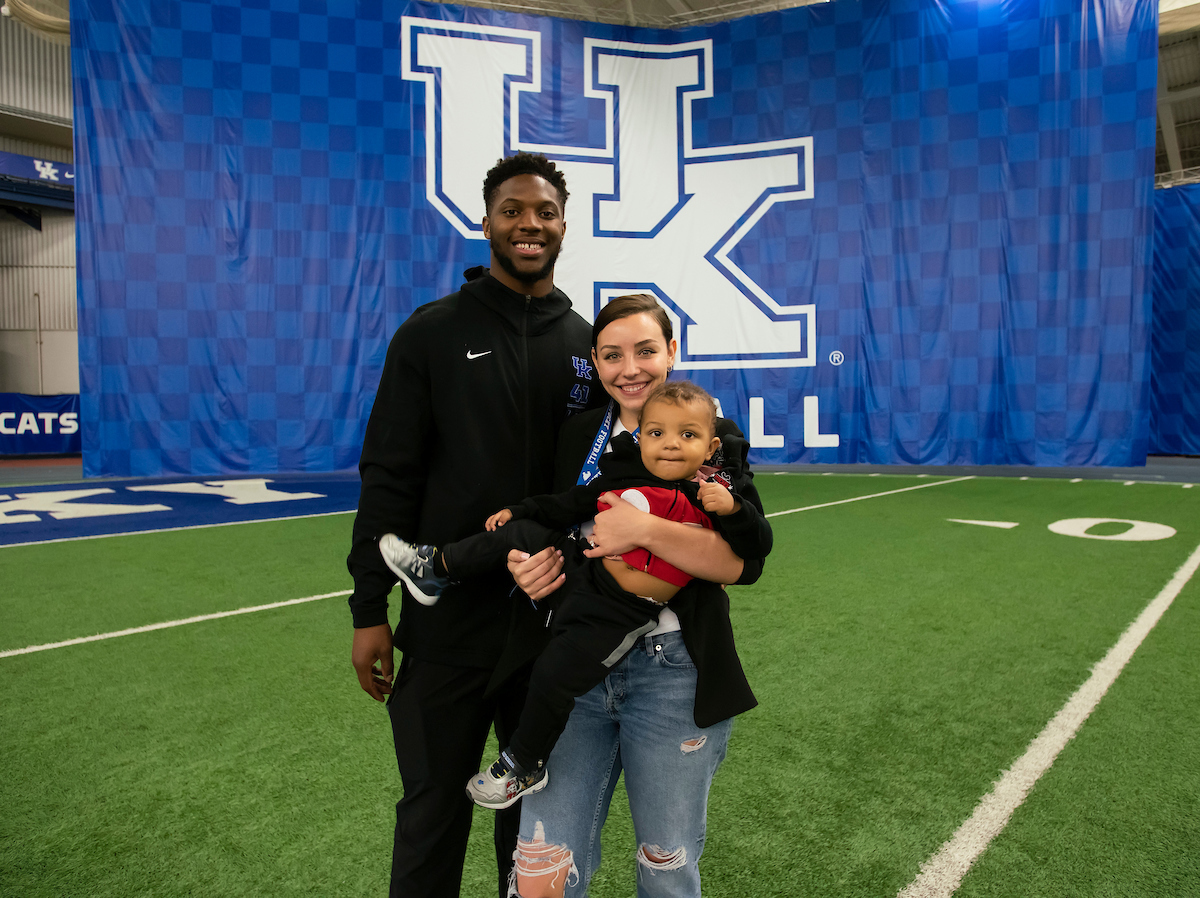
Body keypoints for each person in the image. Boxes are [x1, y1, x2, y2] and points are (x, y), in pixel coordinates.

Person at [346, 151, 601, 898]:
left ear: (563, 224)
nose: (530, 224)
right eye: (513, 210)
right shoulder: (430, 334)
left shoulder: (589, 347)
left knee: (533, 831)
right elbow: (388, 478)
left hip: (548, 634)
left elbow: (596, 491)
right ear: (486, 222)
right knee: (430, 819)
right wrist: (369, 610)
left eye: (544, 212)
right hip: (446, 631)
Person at [376, 381, 771, 811]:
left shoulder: (712, 490)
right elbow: (571, 502)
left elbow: (755, 548)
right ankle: (438, 567)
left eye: (687, 436)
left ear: (711, 444)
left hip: (622, 611)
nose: (671, 445)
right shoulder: (623, 470)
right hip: (586, 573)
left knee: (552, 674)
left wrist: (733, 510)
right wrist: (523, 510)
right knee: (523, 534)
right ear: (641, 438)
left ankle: (524, 761)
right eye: (657, 434)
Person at [497, 294, 768, 898]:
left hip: (672, 674)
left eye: (646, 350)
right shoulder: (577, 435)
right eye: (613, 355)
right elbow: (557, 523)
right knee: (541, 868)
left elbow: (740, 563)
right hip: (576, 670)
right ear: (595, 363)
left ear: (672, 352)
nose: (631, 369)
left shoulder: (715, 437)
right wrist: (528, 566)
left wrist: (645, 530)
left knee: (665, 866)